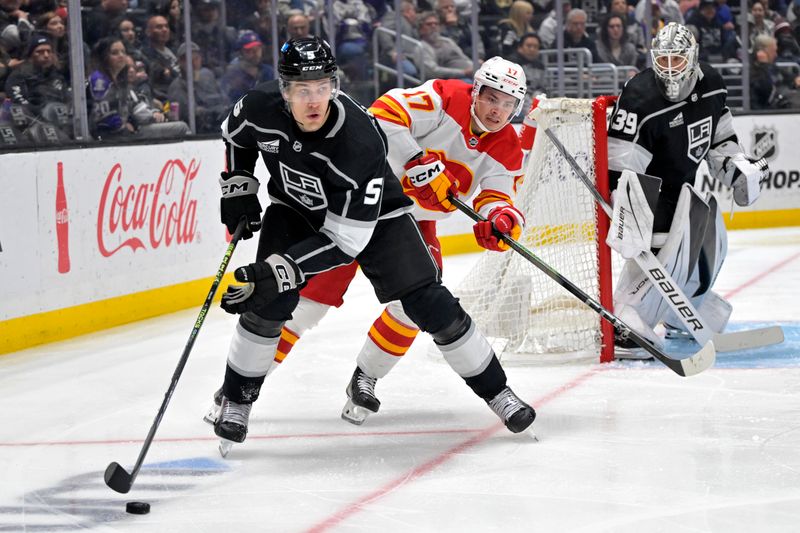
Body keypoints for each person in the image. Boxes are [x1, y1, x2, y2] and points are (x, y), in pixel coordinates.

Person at [209, 37, 535, 448]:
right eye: (491, 97)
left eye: (508, 104)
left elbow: (496, 195)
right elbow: (383, 113)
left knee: (423, 304)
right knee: (290, 305)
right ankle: (237, 394)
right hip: (316, 208)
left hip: (383, 215)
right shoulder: (441, 98)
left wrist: (499, 218)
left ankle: (467, 389)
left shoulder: (362, 142)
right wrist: (238, 187)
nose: (497, 110)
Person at [605, 22, 770, 354]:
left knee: (710, 238)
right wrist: (627, 211)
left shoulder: (712, 85)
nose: (669, 68)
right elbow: (619, 165)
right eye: (662, 60)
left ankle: (682, 312)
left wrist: (737, 169)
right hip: (647, 191)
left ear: (692, 57)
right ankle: (625, 315)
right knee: (670, 244)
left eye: (676, 60)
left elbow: (720, 140)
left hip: (683, 187)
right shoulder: (640, 95)